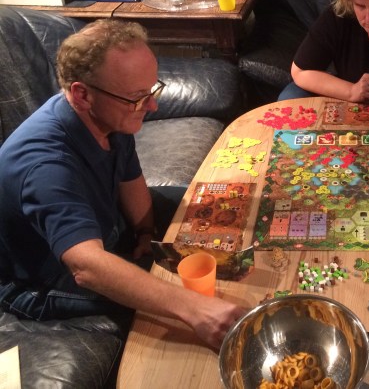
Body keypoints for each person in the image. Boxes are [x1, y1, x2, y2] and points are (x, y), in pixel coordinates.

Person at [0, 20, 247, 349]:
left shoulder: (109, 116)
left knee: (224, 212)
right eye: (138, 97)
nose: (152, 106)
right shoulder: (45, 167)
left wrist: (145, 233)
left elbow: (130, 179)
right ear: (82, 94)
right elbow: (87, 267)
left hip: (106, 228)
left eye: (151, 91)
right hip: (42, 279)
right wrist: (196, 309)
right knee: (184, 300)